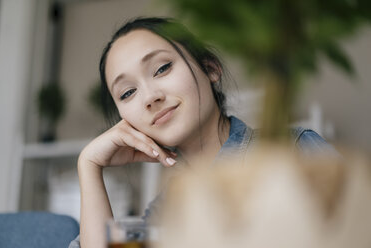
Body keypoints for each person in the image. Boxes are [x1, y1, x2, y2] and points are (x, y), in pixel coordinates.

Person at [69, 17, 335, 248]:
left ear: (210, 68)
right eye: (128, 92)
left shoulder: (294, 149)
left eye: (162, 68)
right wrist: (89, 165)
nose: (149, 97)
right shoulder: (166, 211)